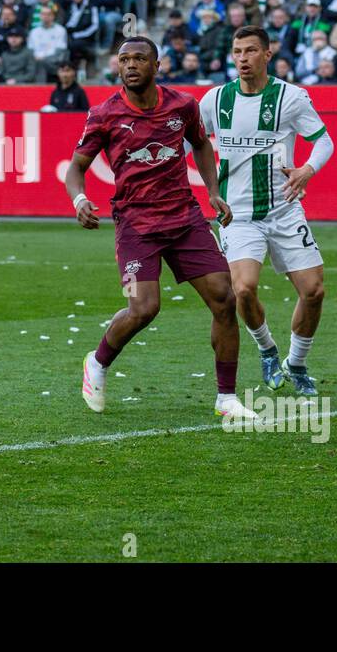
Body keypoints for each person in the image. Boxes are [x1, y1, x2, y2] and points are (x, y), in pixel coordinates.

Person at [65, 35, 255, 421]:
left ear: (157, 65)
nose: (130, 65)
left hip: (184, 218)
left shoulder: (183, 105)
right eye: (124, 59)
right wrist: (79, 200)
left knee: (224, 297)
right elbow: (76, 169)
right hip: (136, 224)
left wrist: (213, 191)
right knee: (143, 308)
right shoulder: (104, 113)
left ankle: (226, 399)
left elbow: (201, 143)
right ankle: (98, 364)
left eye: (139, 58)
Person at [198, 26, 334, 396]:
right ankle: (267, 350)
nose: (242, 59)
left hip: (285, 210)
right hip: (237, 214)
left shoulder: (291, 97)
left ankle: (297, 362)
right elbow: (191, 142)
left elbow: (323, 140)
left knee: (314, 291)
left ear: (267, 54)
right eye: (237, 51)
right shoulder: (215, 100)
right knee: (243, 288)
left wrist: (307, 168)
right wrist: (210, 189)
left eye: (251, 51)